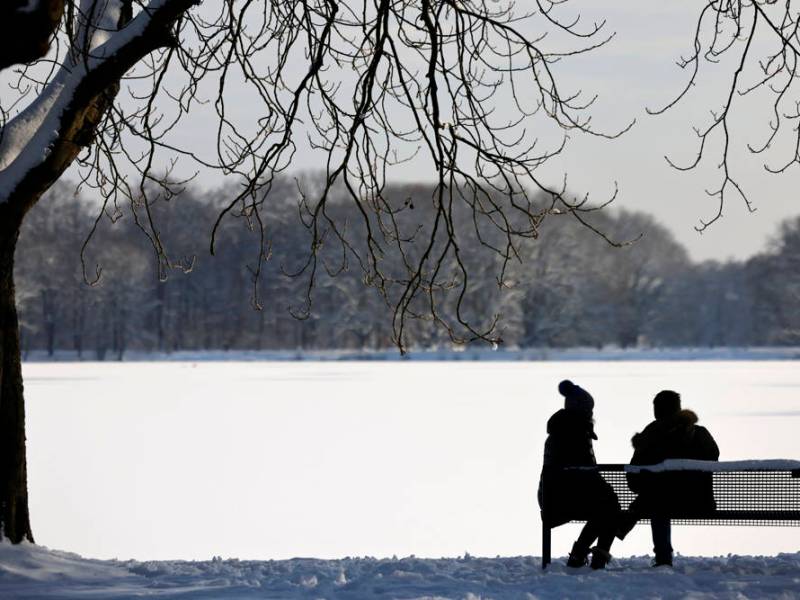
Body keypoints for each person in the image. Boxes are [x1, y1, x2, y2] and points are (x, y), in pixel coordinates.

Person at [617, 390, 720, 567]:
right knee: (660, 494)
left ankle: (662, 556)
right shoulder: (699, 433)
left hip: (660, 500)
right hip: (698, 500)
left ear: (657, 410)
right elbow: (712, 458)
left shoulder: (651, 434)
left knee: (658, 498)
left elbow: (635, 472)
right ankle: (633, 521)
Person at [538, 380, 620, 569]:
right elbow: (587, 476)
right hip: (568, 500)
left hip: (552, 499)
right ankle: (593, 558)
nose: (591, 414)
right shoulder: (578, 434)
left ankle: (579, 554)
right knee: (610, 505)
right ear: (582, 411)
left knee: (606, 505)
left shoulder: (558, 431)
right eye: (589, 410)